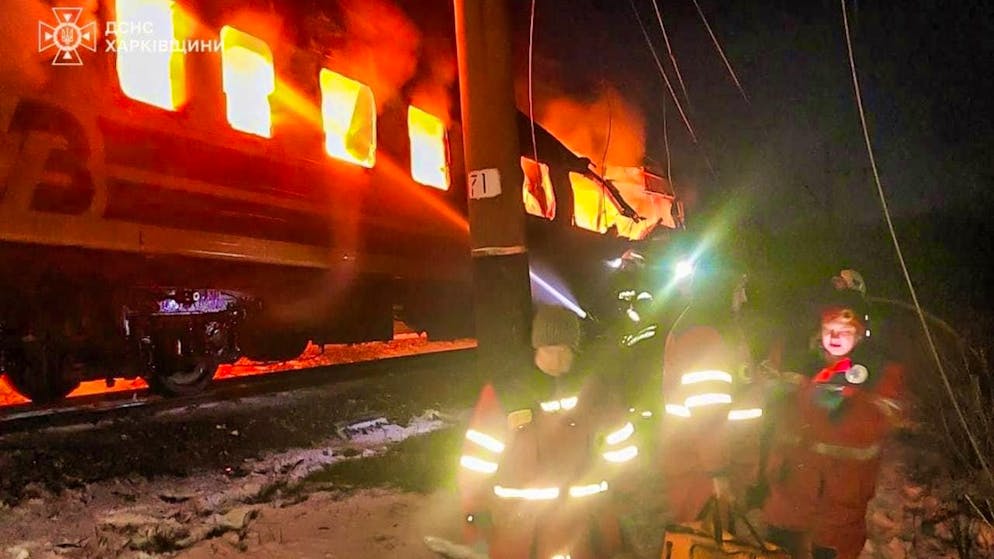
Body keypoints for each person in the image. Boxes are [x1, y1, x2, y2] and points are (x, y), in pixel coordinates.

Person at [456, 305, 638, 559]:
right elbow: (477, 459)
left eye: (565, 351)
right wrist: (475, 510)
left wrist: (622, 489)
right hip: (522, 536)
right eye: (550, 350)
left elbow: (621, 446)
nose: (558, 359)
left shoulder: (596, 393)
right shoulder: (506, 395)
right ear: (536, 348)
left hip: (586, 530)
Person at [763, 270, 905, 559]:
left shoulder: (881, 373)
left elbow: (868, 428)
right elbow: (774, 420)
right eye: (830, 330)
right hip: (787, 506)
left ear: (862, 334)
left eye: (846, 331)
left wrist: (823, 395)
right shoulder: (802, 367)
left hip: (839, 516)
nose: (836, 337)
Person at [656, 257, 768, 526]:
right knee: (702, 544)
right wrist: (718, 473)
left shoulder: (711, 328)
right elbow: (708, 412)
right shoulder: (705, 336)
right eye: (738, 289)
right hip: (703, 473)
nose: (742, 297)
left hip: (705, 465)